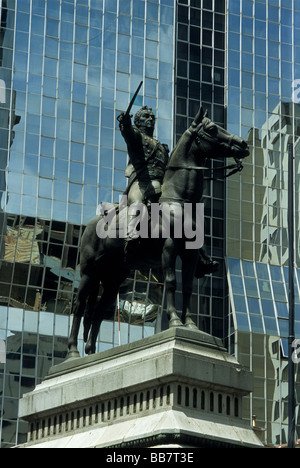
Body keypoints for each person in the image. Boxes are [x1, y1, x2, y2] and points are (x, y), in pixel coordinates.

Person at [118, 105, 169, 257]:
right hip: (141, 181)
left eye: (152, 117)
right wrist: (126, 123)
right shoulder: (136, 137)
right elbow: (128, 133)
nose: (150, 120)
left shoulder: (162, 147)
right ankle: (130, 234)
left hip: (161, 183)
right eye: (146, 117)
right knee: (138, 203)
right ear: (138, 121)